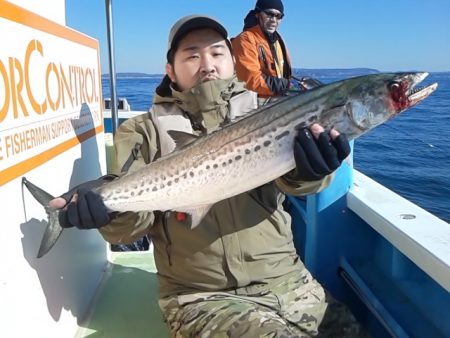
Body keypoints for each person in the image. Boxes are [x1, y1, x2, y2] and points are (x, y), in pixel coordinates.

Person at [50, 14, 366, 337]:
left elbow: (296, 181)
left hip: (289, 280)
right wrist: (107, 211)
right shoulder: (143, 130)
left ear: (232, 59)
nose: (207, 65)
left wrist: (313, 170)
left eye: (217, 53)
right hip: (201, 299)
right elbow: (133, 225)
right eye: (191, 55)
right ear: (170, 69)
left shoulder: (267, 111)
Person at [232, 0, 298, 102]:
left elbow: (283, 76)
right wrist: (285, 86)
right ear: (257, 14)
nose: (274, 20)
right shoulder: (245, 39)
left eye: (278, 16)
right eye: (269, 14)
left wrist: (294, 87)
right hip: (255, 107)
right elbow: (250, 80)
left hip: (279, 101)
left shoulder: (278, 40)